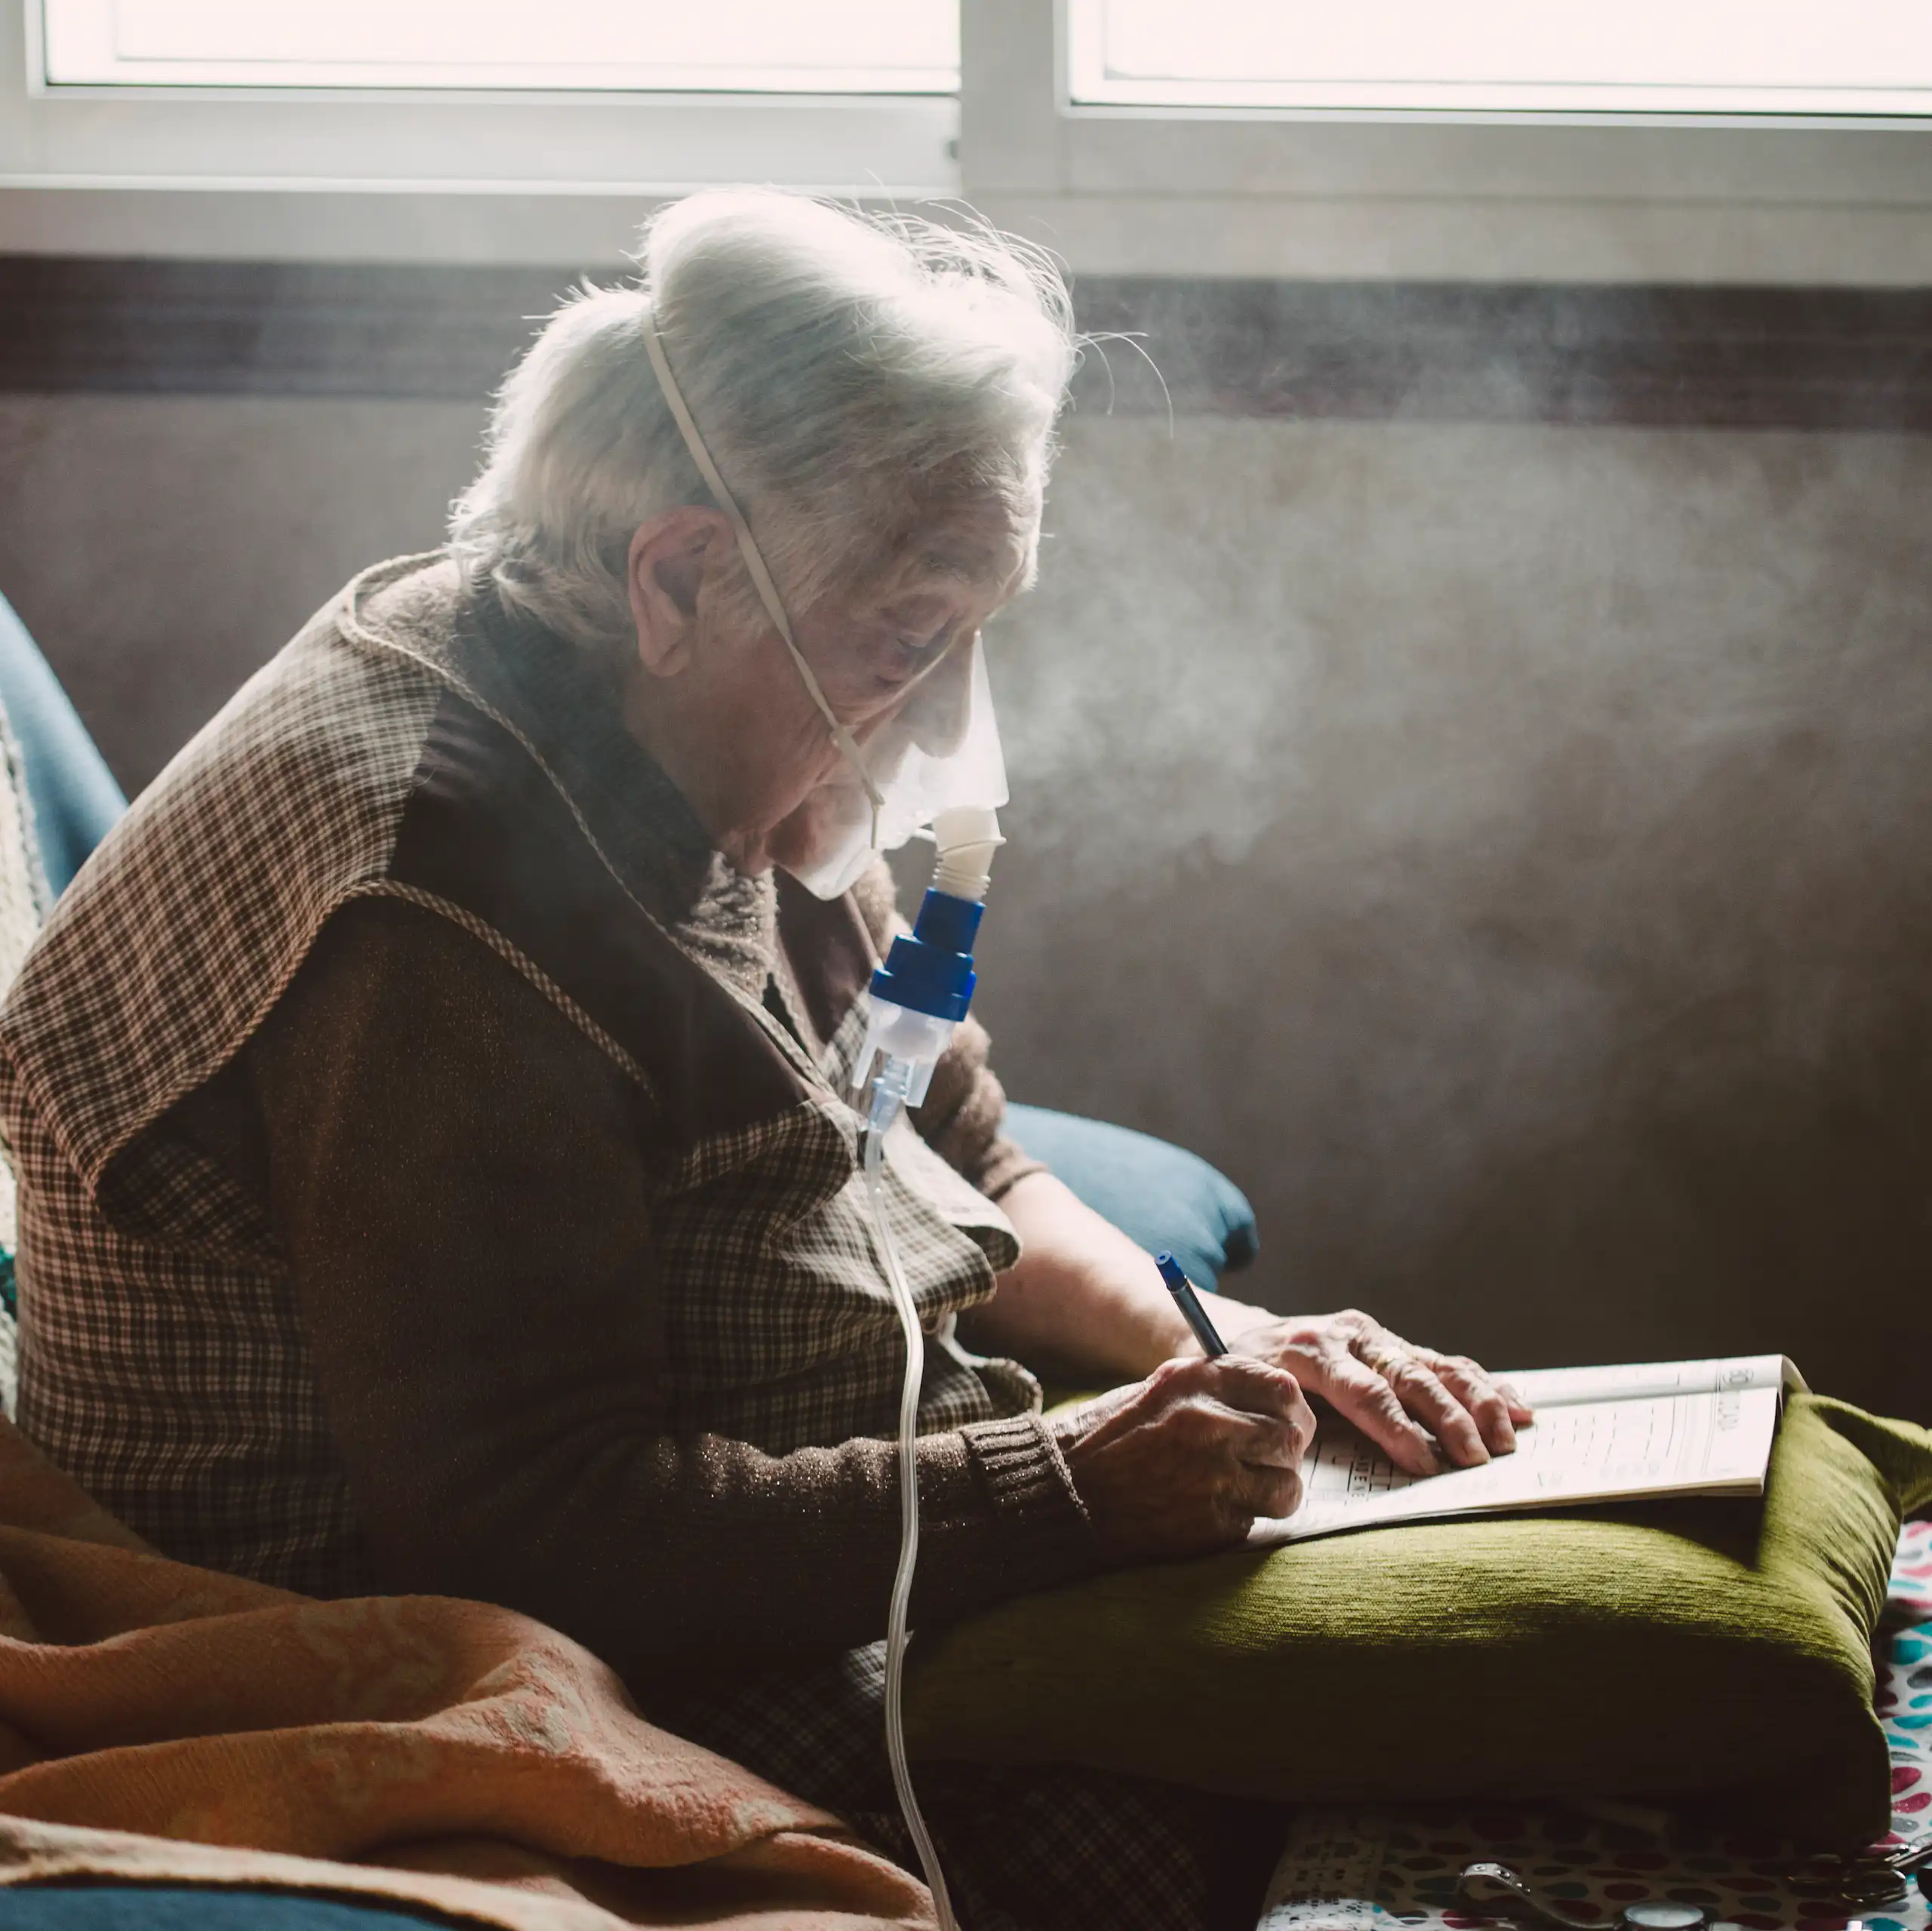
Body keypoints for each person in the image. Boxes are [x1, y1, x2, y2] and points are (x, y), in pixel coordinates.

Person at [0, 191, 1527, 1930]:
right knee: (1243, 1813)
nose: (947, 712)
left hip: (767, 1501)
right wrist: (1071, 1489)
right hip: (426, 1625)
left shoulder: (701, 712)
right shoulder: (436, 918)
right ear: (678, 573)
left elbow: (967, 1154)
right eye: (912, 629)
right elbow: (532, 1527)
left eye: (975, 623)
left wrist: (1259, 1351)